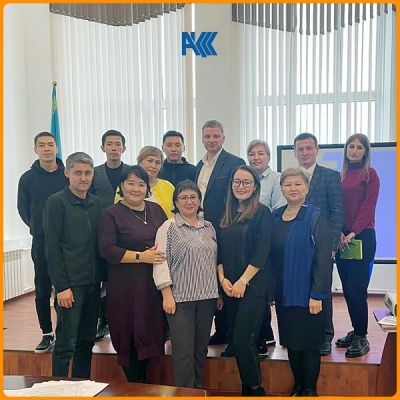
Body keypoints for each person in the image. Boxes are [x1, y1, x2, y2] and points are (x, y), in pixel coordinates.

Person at [99, 165, 167, 383]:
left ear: (147, 187)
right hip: (125, 286)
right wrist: (140, 256)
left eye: (141, 184)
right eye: (130, 183)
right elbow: (107, 249)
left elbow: (168, 237)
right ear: (121, 186)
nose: (136, 189)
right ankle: (133, 386)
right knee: (128, 332)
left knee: (150, 330)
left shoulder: (156, 210)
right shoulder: (112, 213)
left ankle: (144, 385)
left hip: (152, 284)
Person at [43, 152, 106, 378]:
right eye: (78, 172)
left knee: (86, 342)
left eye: (88, 173)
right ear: (67, 173)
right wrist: (61, 286)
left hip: (93, 283)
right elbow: (51, 248)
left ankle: (81, 386)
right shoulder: (56, 202)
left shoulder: (97, 204)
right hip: (70, 286)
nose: (83, 178)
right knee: (66, 344)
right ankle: (58, 389)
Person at [270, 168, 332, 396]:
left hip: (308, 295)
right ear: (281, 189)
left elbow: (324, 260)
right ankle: (297, 385)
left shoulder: (316, 216)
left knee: (309, 345)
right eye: (288, 184)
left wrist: (317, 294)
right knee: (292, 343)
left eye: (298, 184)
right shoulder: (275, 216)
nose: (293, 188)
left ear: (306, 188)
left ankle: (309, 389)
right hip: (284, 294)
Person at [153, 180, 219, 388]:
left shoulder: (209, 227)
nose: (189, 201)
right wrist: (166, 294)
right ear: (176, 202)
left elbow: (215, 261)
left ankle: (197, 391)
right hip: (180, 300)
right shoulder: (169, 227)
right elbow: (160, 260)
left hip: (207, 298)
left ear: (199, 200)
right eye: (183, 197)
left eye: (193, 197)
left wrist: (218, 294)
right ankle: (185, 393)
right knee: (183, 353)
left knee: (201, 350)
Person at [218, 165, 273, 396]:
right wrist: (223, 281)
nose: (241, 186)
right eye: (237, 181)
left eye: (246, 182)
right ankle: (247, 390)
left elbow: (262, 252)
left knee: (243, 341)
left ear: (255, 187)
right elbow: (218, 252)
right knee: (237, 341)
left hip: (254, 287)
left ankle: (256, 389)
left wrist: (243, 281)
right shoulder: (227, 214)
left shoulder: (262, 213)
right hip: (230, 287)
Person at [195, 119, 245, 347]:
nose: (211, 140)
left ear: (223, 138)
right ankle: (220, 329)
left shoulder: (234, 162)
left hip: (224, 227)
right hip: (200, 228)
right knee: (209, 277)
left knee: (226, 275)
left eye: (216, 136)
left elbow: (239, 195)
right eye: (207, 136)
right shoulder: (199, 165)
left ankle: (232, 332)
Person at [17, 132, 68, 353]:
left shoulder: (67, 176)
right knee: (43, 288)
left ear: (57, 147)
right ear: (35, 149)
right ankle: (47, 333)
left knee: (65, 288)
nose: (47, 149)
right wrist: (38, 228)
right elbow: (23, 209)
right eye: (42, 145)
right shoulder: (27, 178)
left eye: (51, 144)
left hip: (68, 241)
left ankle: (64, 332)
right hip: (42, 241)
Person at [294, 133, 343, 356]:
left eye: (308, 148)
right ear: (295, 152)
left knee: (321, 289)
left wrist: (331, 246)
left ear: (316, 150)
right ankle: (304, 333)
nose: (304, 152)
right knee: (299, 291)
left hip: (322, 246)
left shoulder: (330, 176)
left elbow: (337, 213)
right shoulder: (291, 178)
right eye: (300, 149)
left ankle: (325, 336)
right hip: (297, 246)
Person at [335, 134, 380, 358]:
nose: (354, 150)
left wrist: (353, 231)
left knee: (357, 289)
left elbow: (368, 207)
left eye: (359, 147)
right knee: (346, 289)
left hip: (363, 237)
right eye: (350, 146)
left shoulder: (370, 175)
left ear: (365, 151)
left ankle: (362, 337)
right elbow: (336, 206)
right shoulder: (340, 175)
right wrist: (341, 232)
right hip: (343, 239)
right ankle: (356, 330)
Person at [247, 139, 286, 358]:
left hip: (267, 241)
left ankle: (265, 335)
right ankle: (264, 334)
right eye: (252, 153)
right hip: (248, 242)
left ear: (269, 157)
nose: (256, 157)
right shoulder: (246, 179)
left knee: (263, 290)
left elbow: (278, 213)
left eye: (261, 153)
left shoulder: (276, 179)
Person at [90, 129, 130, 342]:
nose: (114, 148)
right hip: (102, 234)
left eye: (118, 144)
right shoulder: (94, 173)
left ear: (124, 148)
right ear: (103, 148)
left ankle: (121, 320)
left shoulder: (132, 172)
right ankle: (102, 321)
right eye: (110, 144)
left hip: (127, 236)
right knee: (102, 278)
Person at [115, 146, 174, 218]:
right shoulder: (126, 185)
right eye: (150, 161)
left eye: (157, 163)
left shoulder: (168, 186)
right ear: (139, 162)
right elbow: (118, 212)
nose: (153, 166)